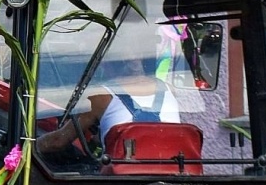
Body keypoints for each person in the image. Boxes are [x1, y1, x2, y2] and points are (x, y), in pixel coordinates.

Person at [36, 11, 180, 158]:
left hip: (123, 173)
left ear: (113, 58)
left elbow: (58, 141)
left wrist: (29, 146)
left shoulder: (101, 96)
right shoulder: (169, 89)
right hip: (175, 171)